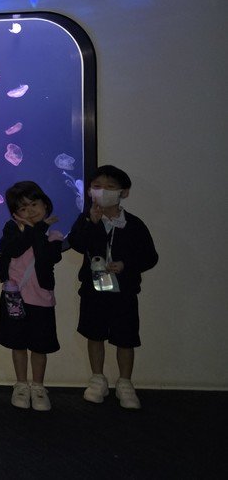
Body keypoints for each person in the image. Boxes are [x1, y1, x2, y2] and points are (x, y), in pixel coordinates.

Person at [68, 165, 158, 409]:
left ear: (123, 192)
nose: (103, 191)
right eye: (97, 187)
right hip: (93, 289)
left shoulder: (134, 224)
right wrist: (91, 222)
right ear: (89, 191)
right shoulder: (86, 219)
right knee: (94, 334)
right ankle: (97, 379)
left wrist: (126, 265)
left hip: (124, 291)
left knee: (125, 338)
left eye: (110, 187)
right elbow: (76, 243)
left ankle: (125, 382)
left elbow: (150, 257)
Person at [0, 181, 64, 412]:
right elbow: (11, 249)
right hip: (14, 296)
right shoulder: (11, 229)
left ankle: (38, 386)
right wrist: (34, 229)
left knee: (39, 346)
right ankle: (21, 385)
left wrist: (38, 230)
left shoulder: (54, 235)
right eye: (23, 208)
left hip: (41, 297)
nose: (30, 211)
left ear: (45, 204)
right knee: (17, 344)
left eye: (34, 204)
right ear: (15, 213)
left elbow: (48, 257)